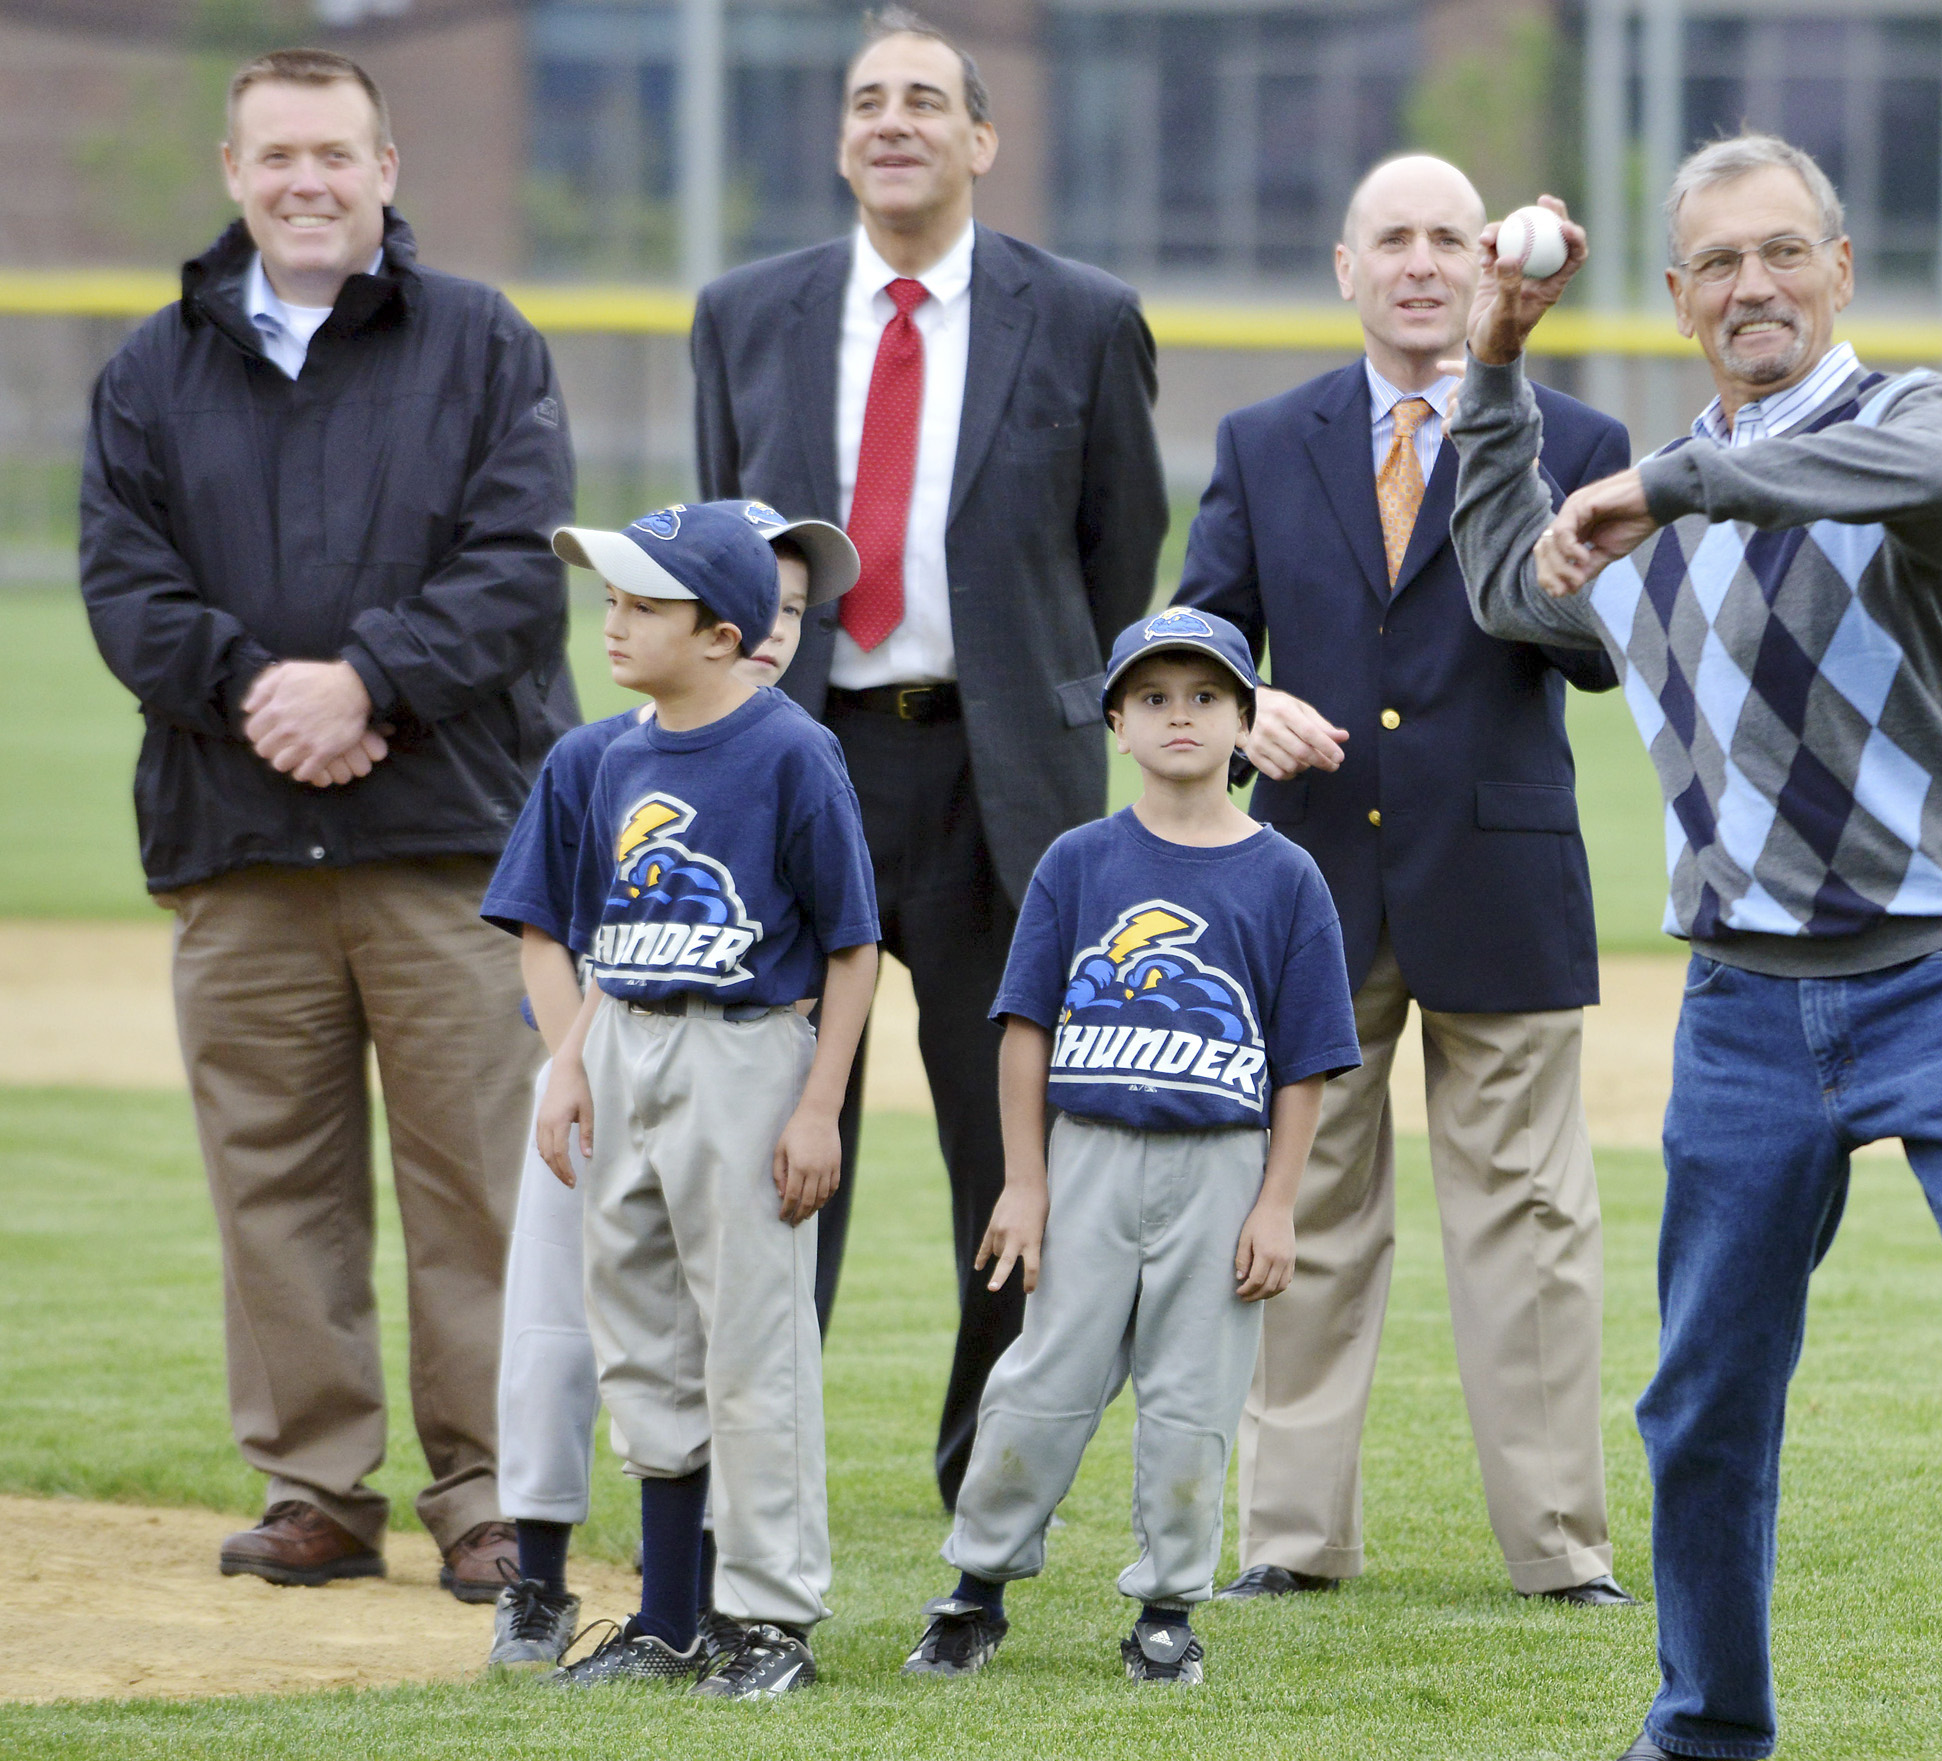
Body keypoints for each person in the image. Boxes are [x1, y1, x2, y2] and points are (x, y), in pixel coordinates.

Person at [1444, 137, 1942, 1761]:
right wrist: (1495, 361)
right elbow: (1500, 585)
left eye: (1786, 253)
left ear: (1839, 267)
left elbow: (1890, 470)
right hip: (1747, 1006)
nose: (1755, 286)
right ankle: (1708, 1710)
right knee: (1703, 1379)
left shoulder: (1908, 427)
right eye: (1719, 264)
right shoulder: (1646, 502)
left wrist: (1666, 488)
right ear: (1680, 297)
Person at [78, 46, 576, 1603]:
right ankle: (315, 1485)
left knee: (479, 1184)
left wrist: (366, 682)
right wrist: (264, 693)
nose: (307, 179)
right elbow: (126, 589)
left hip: (446, 844)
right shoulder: (149, 371)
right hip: (238, 844)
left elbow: (515, 569)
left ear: (387, 168)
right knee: (273, 1184)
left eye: (335, 153)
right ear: (233, 173)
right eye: (277, 154)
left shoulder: (484, 342)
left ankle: (489, 1490)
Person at [691, 7, 1170, 1508]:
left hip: (996, 783)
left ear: (982, 139)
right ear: (841, 140)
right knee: (777, 1135)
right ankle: (758, 1477)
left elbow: (1121, 552)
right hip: (801, 771)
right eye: (864, 101)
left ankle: (984, 1480)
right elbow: (723, 553)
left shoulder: (1083, 316)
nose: (891, 121)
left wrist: (1028, 700)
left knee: (1004, 1146)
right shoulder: (746, 313)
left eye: (923, 100)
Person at [1172, 153, 1635, 1608]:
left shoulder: (1577, 429)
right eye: (1396, 238)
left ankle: (1560, 1551)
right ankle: (1294, 1538)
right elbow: (1188, 637)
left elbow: (1598, 650)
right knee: (1303, 1212)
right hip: (1308, 882)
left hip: (1498, 876)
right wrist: (1238, 705)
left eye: (1452, 236)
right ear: (1345, 266)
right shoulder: (1262, 440)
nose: (1425, 261)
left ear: (1492, 262)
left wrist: (1541, 534)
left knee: (1531, 1228)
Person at [901, 609, 1357, 1688]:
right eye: (1153, 698)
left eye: (1207, 697)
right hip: (1089, 1155)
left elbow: (1304, 1065)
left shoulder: (1287, 878)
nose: (1180, 717)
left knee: (1194, 1396)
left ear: (1249, 722)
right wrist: (1024, 1180)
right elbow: (1027, 1029)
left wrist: (1277, 1202)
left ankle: (1166, 1607)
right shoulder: (1079, 860)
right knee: (1042, 1381)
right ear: (1116, 723)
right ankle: (976, 1586)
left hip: (1218, 1167)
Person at [478, 503, 860, 1672]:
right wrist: (569, 1064)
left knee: (751, 1341)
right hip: (624, 1035)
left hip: (741, 1050)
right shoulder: (603, 755)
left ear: (721, 635)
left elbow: (852, 944)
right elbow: (554, 928)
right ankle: (667, 1622)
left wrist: (816, 1107)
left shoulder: (792, 749)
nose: (616, 623)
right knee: (641, 1342)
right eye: (611, 601)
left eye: (646, 605)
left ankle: (771, 1617)